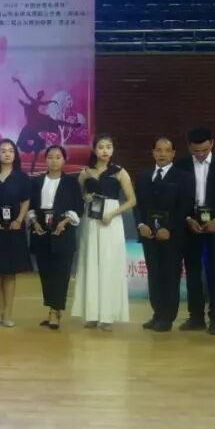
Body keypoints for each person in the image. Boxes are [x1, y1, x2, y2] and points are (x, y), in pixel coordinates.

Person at [72, 134, 136, 330]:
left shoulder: (120, 172)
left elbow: (132, 200)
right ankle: (92, 314)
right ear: (94, 149)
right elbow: (79, 196)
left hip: (111, 222)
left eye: (109, 147)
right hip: (90, 220)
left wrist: (113, 213)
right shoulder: (85, 173)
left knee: (109, 265)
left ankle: (107, 316)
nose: (105, 151)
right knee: (90, 263)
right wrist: (86, 197)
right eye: (101, 147)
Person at [174, 126, 215, 335]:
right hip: (191, 223)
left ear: (212, 144)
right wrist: (188, 218)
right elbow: (177, 197)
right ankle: (196, 317)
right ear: (189, 146)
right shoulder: (180, 165)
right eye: (195, 151)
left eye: (204, 150)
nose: (200, 154)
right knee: (193, 271)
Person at [135, 137, 192, 333]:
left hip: (172, 238)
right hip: (148, 236)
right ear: (153, 152)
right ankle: (157, 313)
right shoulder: (143, 176)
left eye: (167, 150)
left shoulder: (183, 177)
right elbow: (137, 205)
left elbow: (185, 206)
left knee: (169, 276)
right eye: (158, 150)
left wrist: (170, 228)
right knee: (154, 275)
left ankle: (167, 317)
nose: (162, 154)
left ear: (173, 154)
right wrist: (141, 224)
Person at [27, 145, 83, 331]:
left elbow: (78, 208)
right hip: (42, 234)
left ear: (64, 160)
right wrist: (34, 223)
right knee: (46, 274)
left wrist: (64, 222)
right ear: (45, 160)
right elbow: (31, 207)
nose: (54, 161)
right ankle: (52, 308)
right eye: (50, 157)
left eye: (58, 157)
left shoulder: (71, 183)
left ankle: (55, 310)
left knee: (61, 274)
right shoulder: (36, 181)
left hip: (62, 234)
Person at [0, 138, 31, 328]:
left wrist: (19, 220)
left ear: (15, 154)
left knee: (9, 272)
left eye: (11, 151)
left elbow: (26, 201)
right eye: (3, 150)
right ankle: (0, 311)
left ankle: (8, 313)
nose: (7, 154)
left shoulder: (22, 177)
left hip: (13, 230)